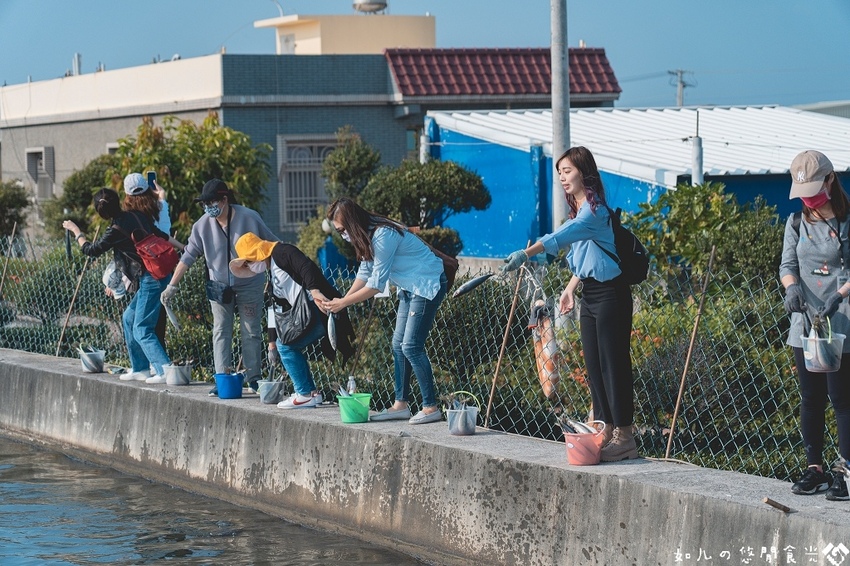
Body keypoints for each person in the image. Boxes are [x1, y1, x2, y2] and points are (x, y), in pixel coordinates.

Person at [501, 146, 636, 461]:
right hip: (591, 293)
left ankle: (625, 436)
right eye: (559, 172)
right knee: (593, 366)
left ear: (584, 173)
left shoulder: (595, 211)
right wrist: (570, 288)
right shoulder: (580, 211)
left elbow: (562, 236)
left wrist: (527, 252)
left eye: (568, 171)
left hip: (611, 294)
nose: (562, 177)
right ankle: (604, 428)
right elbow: (583, 255)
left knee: (612, 365)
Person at [322, 198, 448, 424]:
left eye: (342, 230)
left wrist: (344, 303)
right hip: (409, 287)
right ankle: (401, 405)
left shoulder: (383, 235)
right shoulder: (368, 236)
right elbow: (364, 273)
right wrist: (343, 299)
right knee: (397, 344)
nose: (343, 235)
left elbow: (376, 285)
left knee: (411, 346)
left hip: (427, 283)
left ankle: (431, 407)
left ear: (351, 223)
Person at [160, 179, 277, 395]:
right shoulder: (202, 225)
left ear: (225, 200)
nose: (208, 207)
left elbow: (272, 244)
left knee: (250, 330)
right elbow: (188, 256)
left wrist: (282, 272)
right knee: (221, 330)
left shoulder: (249, 217)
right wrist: (172, 286)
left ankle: (253, 378)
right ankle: (222, 377)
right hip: (219, 287)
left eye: (212, 202)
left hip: (250, 283)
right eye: (204, 204)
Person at [780, 149, 850, 501]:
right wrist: (792, 289)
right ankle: (815, 468)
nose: (809, 199)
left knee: (842, 397)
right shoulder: (795, 223)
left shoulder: (847, 220)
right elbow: (786, 264)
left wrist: (840, 294)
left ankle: (845, 469)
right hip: (805, 321)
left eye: (813, 190)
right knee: (811, 397)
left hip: (841, 320)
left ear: (830, 180)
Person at [62, 185, 184, 383]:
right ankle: (140, 368)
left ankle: (164, 371)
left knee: (142, 328)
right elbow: (160, 234)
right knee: (129, 318)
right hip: (160, 274)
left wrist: (76, 231)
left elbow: (91, 250)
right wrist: (184, 248)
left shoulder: (115, 230)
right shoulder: (136, 215)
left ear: (101, 213)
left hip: (151, 279)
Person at [229, 232, 355, 408]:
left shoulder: (282, 252)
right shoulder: (272, 272)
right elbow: (275, 310)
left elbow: (306, 267)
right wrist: (271, 342)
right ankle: (311, 393)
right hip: (309, 314)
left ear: (256, 254)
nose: (250, 266)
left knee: (286, 346)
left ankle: (304, 393)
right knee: (284, 345)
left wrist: (315, 291)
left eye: (249, 261)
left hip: (320, 310)